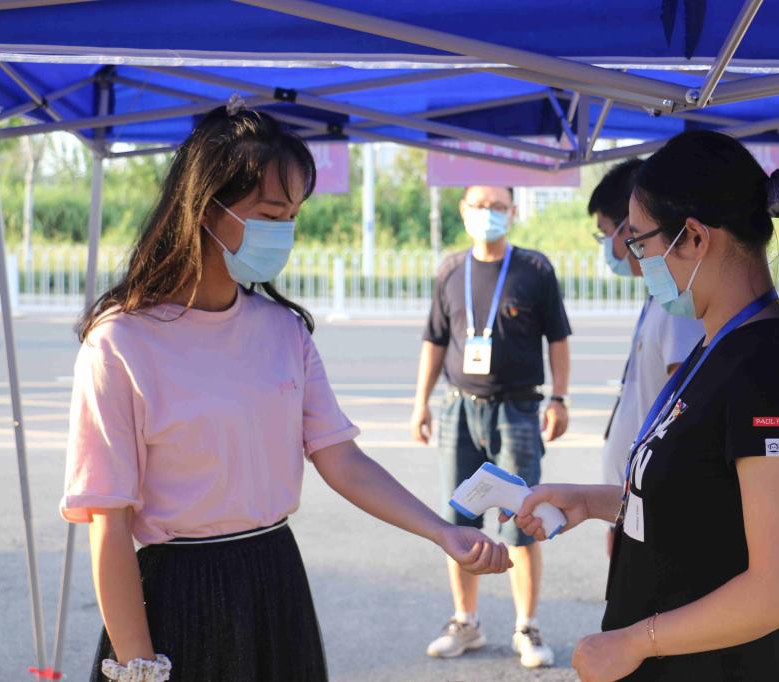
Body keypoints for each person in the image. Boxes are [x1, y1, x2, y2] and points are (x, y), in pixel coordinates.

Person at [60, 104, 511, 682]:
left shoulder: (283, 330)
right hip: (176, 595)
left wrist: (442, 531)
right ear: (204, 208)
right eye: (271, 214)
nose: (285, 232)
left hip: (275, 578)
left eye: (293, 215)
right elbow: (109, 524)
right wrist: (137, 665)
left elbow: (340, 458)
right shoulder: (121, 342)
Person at [505, 130, 779, 681]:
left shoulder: (767, 365)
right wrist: (589, 501)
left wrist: (635, 642)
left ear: (693, 237)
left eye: (641, 243)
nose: (637, 261)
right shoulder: (715, 344)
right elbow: (699, 504)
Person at [410, 185, 571, 668]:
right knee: (457, 520)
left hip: (517, 410)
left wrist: (559, 398)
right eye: (479, 206)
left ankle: (527, 626)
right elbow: (435, 341)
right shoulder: (450, 270)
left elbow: (558, 339)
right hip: (459, 409)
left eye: (498, 206)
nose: (488, 214)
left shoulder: (534, 268)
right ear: (463, 211)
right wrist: (420, 404)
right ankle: (465, 621)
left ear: (513, 211)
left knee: (524, 518)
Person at [588, 160, 704, 557]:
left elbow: (682, 418)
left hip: (652, 511)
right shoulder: (662, 297)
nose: (618, 248)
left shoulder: (680, 306)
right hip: (634, 506)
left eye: (609, 233)